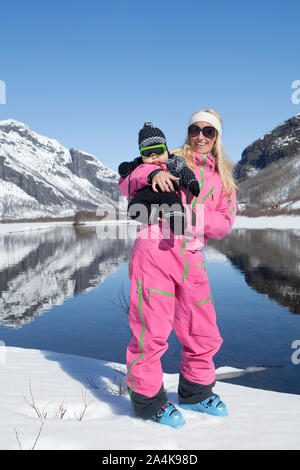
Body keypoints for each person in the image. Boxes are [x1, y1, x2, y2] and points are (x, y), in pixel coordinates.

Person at [118, 109, 237, 429]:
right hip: (154, 251)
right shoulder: (169, 159)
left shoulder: (223, 177)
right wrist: (151, 174)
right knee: (150, 332)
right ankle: (147, 402)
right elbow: (127, 180)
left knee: (203, 331)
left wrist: (192, 219)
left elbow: (225, 222)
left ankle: (197, 392)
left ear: (216, 138)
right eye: (195, 129)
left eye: (208, 132)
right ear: (188, 132)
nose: (200, 136)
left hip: (192, 257)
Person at [118, 122, 200, 235]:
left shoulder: (175, 162)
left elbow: (184, 171)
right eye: (147, 153)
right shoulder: (139, 164)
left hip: (168, 191)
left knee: (173, 201)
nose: (153, 156)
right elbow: (128, 174)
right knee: (136, 205)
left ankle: (177, 224)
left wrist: (191, 182)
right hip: (148, 192)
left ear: (166, 149)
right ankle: (151, 214)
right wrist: (125, 168)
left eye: (158, 151)